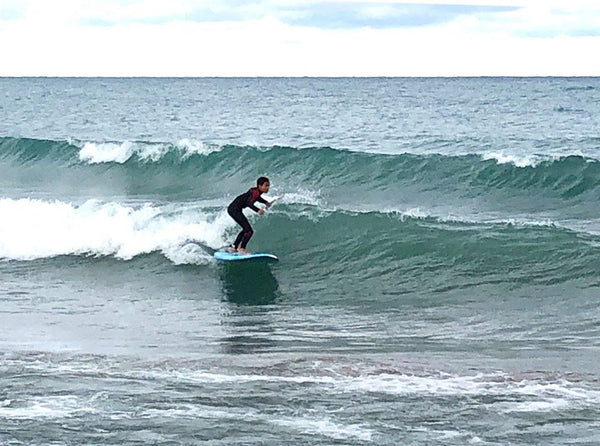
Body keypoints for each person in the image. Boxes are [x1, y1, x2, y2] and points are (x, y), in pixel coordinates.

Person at [227, 176, 272, 254]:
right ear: (259, 186)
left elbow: (257, 198)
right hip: (234, 209)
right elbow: (249, 203)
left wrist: (265, 202)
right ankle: (242, 249)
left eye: (268, 186)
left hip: (234, 209)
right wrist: (258, 210)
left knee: (246, 229)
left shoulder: (256, 192)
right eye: (266, 185)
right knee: (249, 231)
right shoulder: (255, 192)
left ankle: (233, 247)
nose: (267, 187)